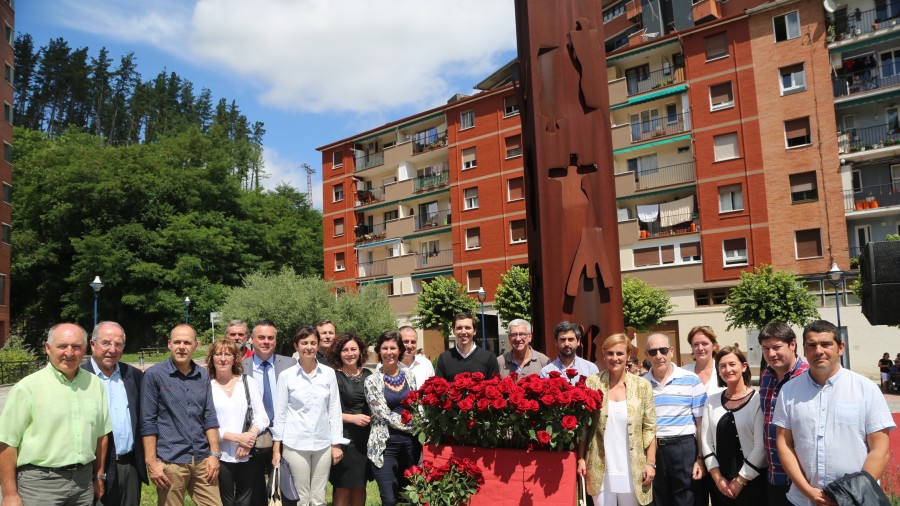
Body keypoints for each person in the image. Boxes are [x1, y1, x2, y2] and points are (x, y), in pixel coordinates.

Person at [775, 320, 894, 506]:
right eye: (812, 345)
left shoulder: (866, 389)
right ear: (804, 350)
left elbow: (880, 448)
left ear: (841, 347)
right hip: (803, 500)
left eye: (826, 344)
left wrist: (849, 495)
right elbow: (784, 445)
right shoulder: (788, 391)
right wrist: (808, 491)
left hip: (856, 500)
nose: (819, 350)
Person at [0, 323, 112, 506]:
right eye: (62, 346)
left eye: (76, 347)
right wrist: (9, 494)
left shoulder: (95, 384)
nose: (69, 353)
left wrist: (99, 475)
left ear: (85, 348)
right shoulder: (27, 388)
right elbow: (6, 443)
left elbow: (102, 435)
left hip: (83, 483)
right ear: (48, 348)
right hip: (40, 484)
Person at [141, 324, 222, 506]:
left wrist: (215, 455)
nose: (182, 346)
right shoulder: (154, 375)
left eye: (187, 342)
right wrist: (151, 462)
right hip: (171, 461)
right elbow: (147, 422)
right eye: (177, 342)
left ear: (195, 345)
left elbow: (209, 416)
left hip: (202, 459)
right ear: (169, 344)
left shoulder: (202, 375)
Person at [578, 333, 657, 506]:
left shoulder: (643, 386)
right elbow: (584, 425)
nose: (615, 358)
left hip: (633, 467)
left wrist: (651, 463)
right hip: (599, 466)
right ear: (604, 354)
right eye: (610, 353)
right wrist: (581, 458)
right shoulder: (592, 382)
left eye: (620, 353)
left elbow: (650, 427)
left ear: (628, 355)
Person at [272, 325, 347, 506]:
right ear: (296, 346)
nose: (309, 347)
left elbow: (334, 411)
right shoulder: (286, 376)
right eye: (304, 343)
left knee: (319, 498)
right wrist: (276, 449)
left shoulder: (328, 374)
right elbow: (280, 414)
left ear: (318, 344)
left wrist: (335, 444)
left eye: (313, 343)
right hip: (295, 445)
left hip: (322, 444)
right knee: (301, 498)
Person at [83, 321, 147, 506]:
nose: (112, 349)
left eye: (118, 344)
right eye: (106, 343)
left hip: (129, 465)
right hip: (93, 469)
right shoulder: (80, 377)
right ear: (93, 344)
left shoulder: (133, 375)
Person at [642, 333, 707, 506]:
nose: (659, 356)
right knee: (658, 500)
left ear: (671, 351)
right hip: (653, 451)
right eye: (653, 351)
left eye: (663, 350)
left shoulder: (691, 380)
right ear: (646, 354)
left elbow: (701, 424)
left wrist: (700, 458)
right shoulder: (641, 384)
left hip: (684, 449)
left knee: (687, 500)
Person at [700, 346, 766, 506]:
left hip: (753, 482)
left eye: (732, 364)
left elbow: (760, 446)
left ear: (744, 366)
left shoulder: (758, 400)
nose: (727, 369)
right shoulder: (711, 401)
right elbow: (706, 442)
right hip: (721, 485)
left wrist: (740, 480)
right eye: (722, 366)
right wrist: (718, 479)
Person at [207, 340, 269, 506]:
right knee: (224, 501)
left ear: (235, 358)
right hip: (220, 455)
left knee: (245, 501)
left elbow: (262, 417)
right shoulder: (207, 386)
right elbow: (203, 424)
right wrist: (235, 438)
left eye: (227, 354)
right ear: (211, 358)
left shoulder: (247, 382)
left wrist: (249, 437)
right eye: (218, 354)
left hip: (247, 454)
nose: (222, 359)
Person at [241, 320, 296, 506]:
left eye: (270, 338)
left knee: (285, 489)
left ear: (276, 340)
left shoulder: (290, 364)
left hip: (285, 434)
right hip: (254, 436)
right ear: (252, 339)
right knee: (254, 490)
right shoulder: (240, 366)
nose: (266, 341)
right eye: (261, 337)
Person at [757, 322, 809, 506]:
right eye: (766, 348)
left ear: (792, 344)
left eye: (777, 347)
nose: (771, 354)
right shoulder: (766, 376)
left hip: (804, 479)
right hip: (775, 476)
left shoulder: (808, 376)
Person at [366, 331, 420, 506]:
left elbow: (416, 406)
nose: (389, 352)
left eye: (393, 348)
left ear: (400, 350)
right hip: (385, 446)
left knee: (409, 497)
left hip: (410, 445)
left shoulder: (410, 376)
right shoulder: (372, 381)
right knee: (389, 499)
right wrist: (414, 425)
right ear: (379, 351)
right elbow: (383, 414)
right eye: (385, 348)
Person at [327, 333, 373, 506]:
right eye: (345, 350)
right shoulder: (333, 376)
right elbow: (327, 412)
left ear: (360, 352)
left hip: (365, 439)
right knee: (343, 487)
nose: (350, 353)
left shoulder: (369, 374)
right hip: (343, 438)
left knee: (360, 486)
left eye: (353, 349)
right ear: (339, 353)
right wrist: (352, 418)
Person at [681, 326, 724, 506]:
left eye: (705, 343)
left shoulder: (724, 369)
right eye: (695, 344)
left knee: (721, 496)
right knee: (696, 498)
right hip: (693, 446)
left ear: (714, 345)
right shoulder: (683, 373)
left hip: (721, 443)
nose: (700, 348)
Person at [435, 312, 500, 381]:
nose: (463, 332)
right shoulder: (444, 358)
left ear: (474, 331)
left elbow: (495, 388)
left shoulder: (489, 358)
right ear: (454, 331)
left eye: (467, 328)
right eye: (459, 328)